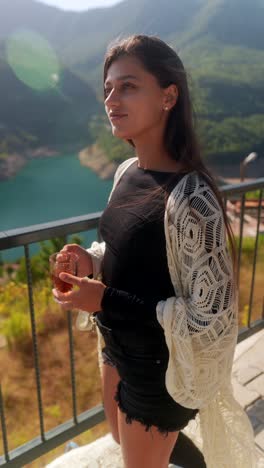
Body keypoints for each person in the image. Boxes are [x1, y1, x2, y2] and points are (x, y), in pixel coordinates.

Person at [53, 35, 256, 468]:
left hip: (156, 368)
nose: (111, 99)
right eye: (108, 88)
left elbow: (210, 318)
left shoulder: (192, 199)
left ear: (168, 96)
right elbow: (128, 252)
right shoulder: (128, 171)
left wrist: (103, 299)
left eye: (128, 86)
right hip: (116, 346)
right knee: (116, 434)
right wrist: (92, 262)